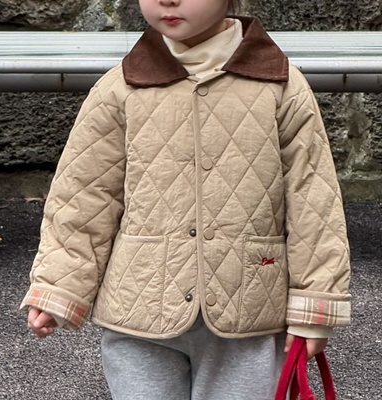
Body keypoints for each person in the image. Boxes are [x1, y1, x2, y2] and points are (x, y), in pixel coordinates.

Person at [21, 0, 351, 399]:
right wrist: (59, 286)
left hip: (248, 313)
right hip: (139, 310)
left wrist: (315, 303)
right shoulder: (119, 88)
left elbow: (313, 200)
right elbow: (83, 197)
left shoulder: (281, 86)